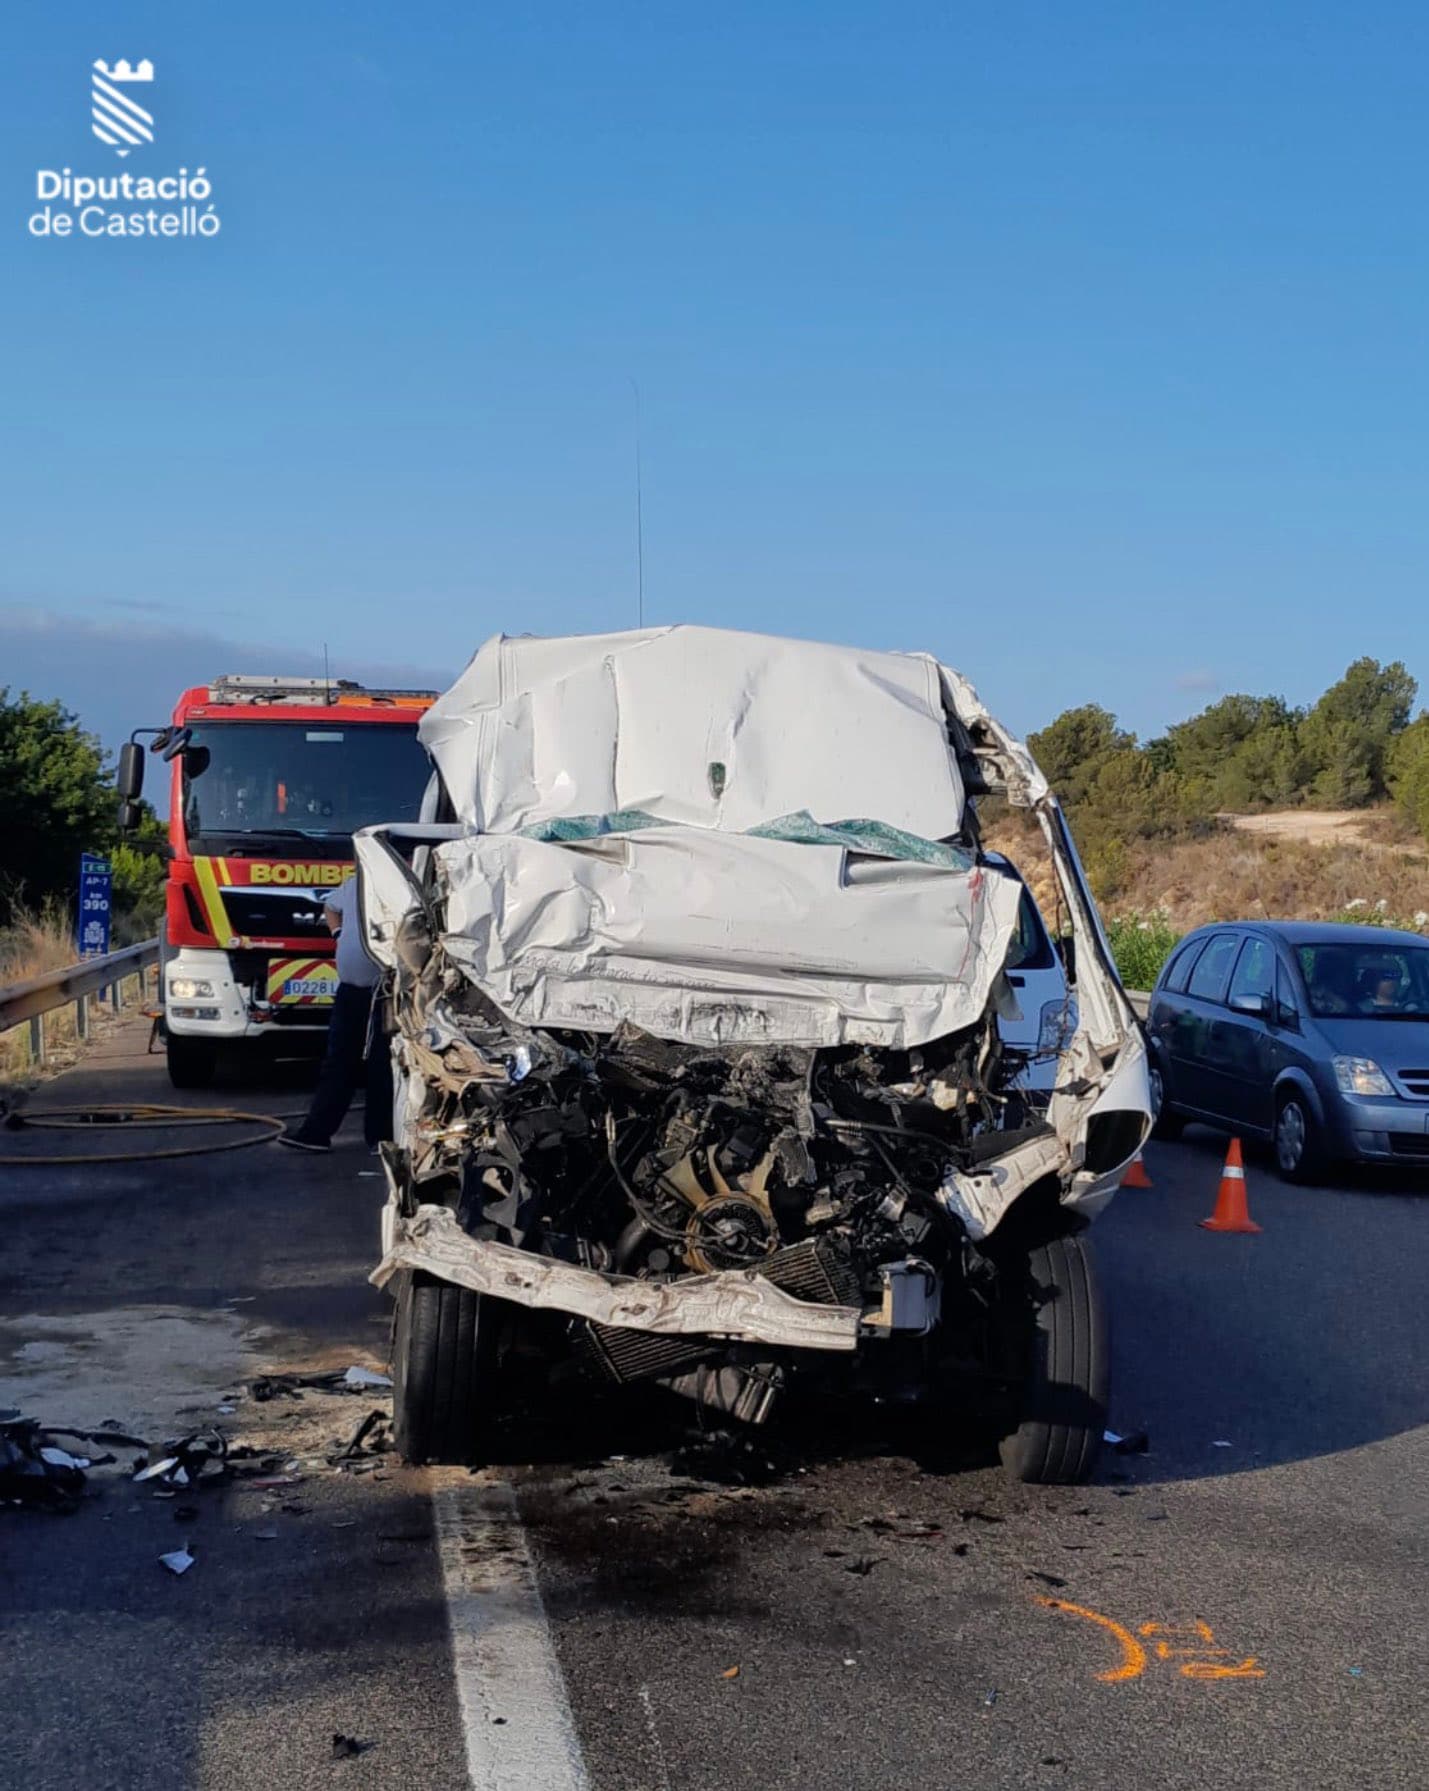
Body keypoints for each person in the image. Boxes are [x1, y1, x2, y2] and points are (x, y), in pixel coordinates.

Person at [277, 874, 393, 1153]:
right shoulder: (357, 882)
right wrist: (339, 934)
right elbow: (330, 906)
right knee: (339, 1061)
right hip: (352, 989)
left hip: (389, 992)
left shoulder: (399, 884)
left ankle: (381, 1137)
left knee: (384, 1064)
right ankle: (316, 1132)